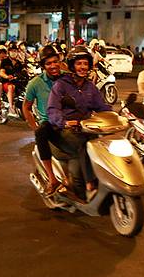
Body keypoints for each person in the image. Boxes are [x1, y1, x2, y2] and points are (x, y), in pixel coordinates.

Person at [48, 46, 112, 201]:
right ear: (72, 66)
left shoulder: (90, 87)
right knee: (85, 144)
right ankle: (89, 183)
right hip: (66, 132)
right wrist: (64, 122)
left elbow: (102, 106)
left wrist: (115, 116)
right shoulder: (61, 85)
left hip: (87, 129)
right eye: (79, 63)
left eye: (85, 63)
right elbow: (53, 109)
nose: (83, 67)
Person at [22, 45, 63, 195]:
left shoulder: (68, 78)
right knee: (41, 133)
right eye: (48, 63)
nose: (53, 66)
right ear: (43, 66)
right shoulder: (35, 83)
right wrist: (35, 127)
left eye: (55, 62)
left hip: (69, 121)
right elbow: (26, 107)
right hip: (50, 123)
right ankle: (52, 179)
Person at [0, 43, 23, 116]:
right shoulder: (4, 61)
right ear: (9, 52)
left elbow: (23, 71)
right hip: (7, 82)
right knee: (11, 87)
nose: (14, 52)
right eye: (12, 51)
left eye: (15, 51)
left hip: (17, 82)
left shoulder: (19, 63)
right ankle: (11, 107)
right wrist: (7, 76)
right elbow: (2, 72)